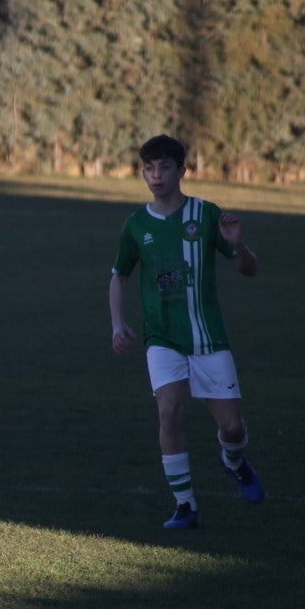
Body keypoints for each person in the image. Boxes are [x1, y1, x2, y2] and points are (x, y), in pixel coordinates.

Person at [109, 134, 264, 529]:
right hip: (161, 338)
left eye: (164, 167)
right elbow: (118, 275)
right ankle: (185, 504)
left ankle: (233, 462)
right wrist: (118, 323)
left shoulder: (206, 214)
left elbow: (249, 269)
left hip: (207, 337)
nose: (156, 175)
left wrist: (238, 245)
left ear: (181, 171)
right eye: (149, 168)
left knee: (232, 428)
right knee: (169, 411)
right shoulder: (136, 225)